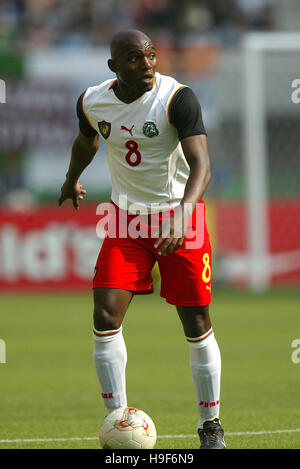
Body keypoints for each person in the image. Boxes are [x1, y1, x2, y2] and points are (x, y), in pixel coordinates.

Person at [58, 29, 225, 450]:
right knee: (104, 316)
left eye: (151, 55)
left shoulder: (177, 98)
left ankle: (210, 426)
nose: (147, 64)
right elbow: (86, 140)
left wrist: (183, 216)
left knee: (196, 323)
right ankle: (119, 420)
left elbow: (202, 164)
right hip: (125, 222)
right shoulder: (93, 100)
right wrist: (71, 179)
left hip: (179, 219)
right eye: (135, 58)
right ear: (114, 66)